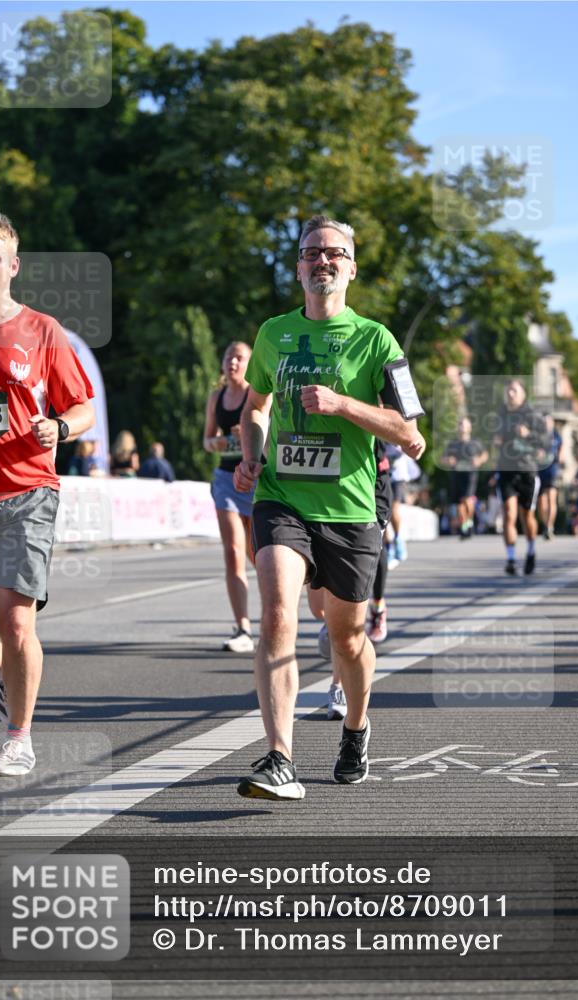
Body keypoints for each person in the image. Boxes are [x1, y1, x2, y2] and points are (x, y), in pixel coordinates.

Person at [233, 214, 425, 800]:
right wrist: (252, 454)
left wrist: (343, 404)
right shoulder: (272, 334)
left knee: (346, 638)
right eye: (311, 252)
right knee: (276, 615)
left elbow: (412, 435)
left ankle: (356, 727)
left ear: (352, 267)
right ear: (297, 266)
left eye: (334, 253)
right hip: (281, 498)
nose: (323, 261)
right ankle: (279, 757)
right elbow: (255, 406)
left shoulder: (377, 340)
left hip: (348, 509)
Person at [0, 213, 95, 776]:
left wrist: (60, 429)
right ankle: (4, 671)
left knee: (18, 623)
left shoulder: (42, 330)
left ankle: (19, 736)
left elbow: (82, 407)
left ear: (12, 266)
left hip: (26, 492)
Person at [314, 439, 393, 720]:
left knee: (341, 623)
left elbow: (406, 427)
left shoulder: (368, 395)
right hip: (310, 495)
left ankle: (338, 686)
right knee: (318, 609)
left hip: (363, 496)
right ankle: (335, 627)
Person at [204, 341, 257, 653]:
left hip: (254, 477)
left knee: (258, 554)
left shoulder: (257, 394)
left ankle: (278, 616)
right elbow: (207, 440)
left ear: (250, 363)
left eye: (239, 358)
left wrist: (249, 435)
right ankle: (243, 628)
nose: (233, 362)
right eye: (228, 357)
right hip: (226, 478)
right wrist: (219, 443)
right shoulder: (217, 397)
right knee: (233, 551)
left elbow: (272, 436)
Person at [493, 379, 547, 576]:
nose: (510, 394)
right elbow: (494, 436)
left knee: (527, 516)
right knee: (509, 513)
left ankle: (531, 551)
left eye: (514, 390)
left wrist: (528, 434)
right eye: (508, 391)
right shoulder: (502, 414)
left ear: (523, 394)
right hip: (506, 470)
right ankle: (511, 558)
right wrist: (496, 439)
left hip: (527, 470)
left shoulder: (532, 415)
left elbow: (544, 441)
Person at [440, 416, 488, 539]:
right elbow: (442, 459)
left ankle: (469, 522)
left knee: (467, 499)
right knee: (459, 504)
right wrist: (448, 460)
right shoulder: (453, 444)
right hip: (456, 474)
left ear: (469, 427)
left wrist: (479, 460)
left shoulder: (475, 443)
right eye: (460, 424)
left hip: (470, 474)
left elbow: (485, 455)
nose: (462, 426)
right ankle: (465, 526)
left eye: (464, 424)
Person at [537, 414, 563, 539]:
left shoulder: (556, 436)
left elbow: (561, 452)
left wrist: (560, 460)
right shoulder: (537, 436)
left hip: (552, 469)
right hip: (539, 470)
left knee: (552, 498)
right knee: (541, 501)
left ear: (552, 423)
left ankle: (549, 526)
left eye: (548, 422)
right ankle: (544, 524)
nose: (546, 424)